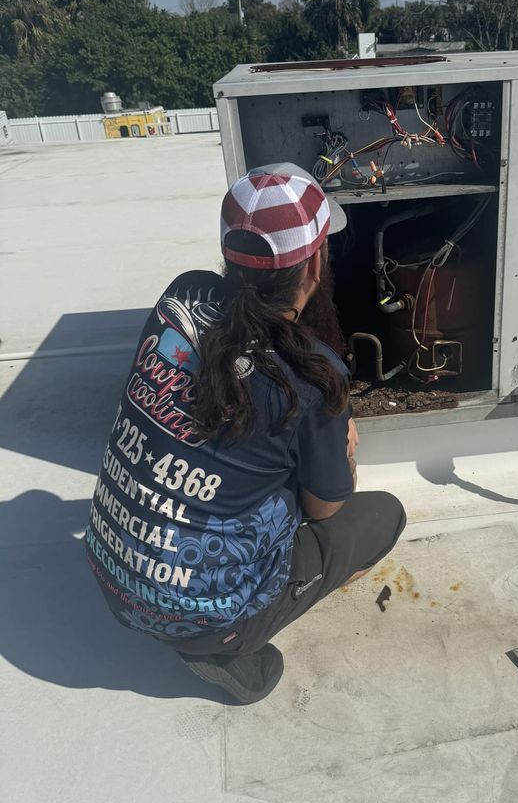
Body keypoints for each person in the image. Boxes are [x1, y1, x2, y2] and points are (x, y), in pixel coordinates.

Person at [85, 163, 406, 703]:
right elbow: (325, 507)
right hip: (200, 618)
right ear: (316, 263)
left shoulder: (179, 298)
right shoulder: (311, 375)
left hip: (110, 576)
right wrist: (342, 453)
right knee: (383, 516)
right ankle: (225, 649)